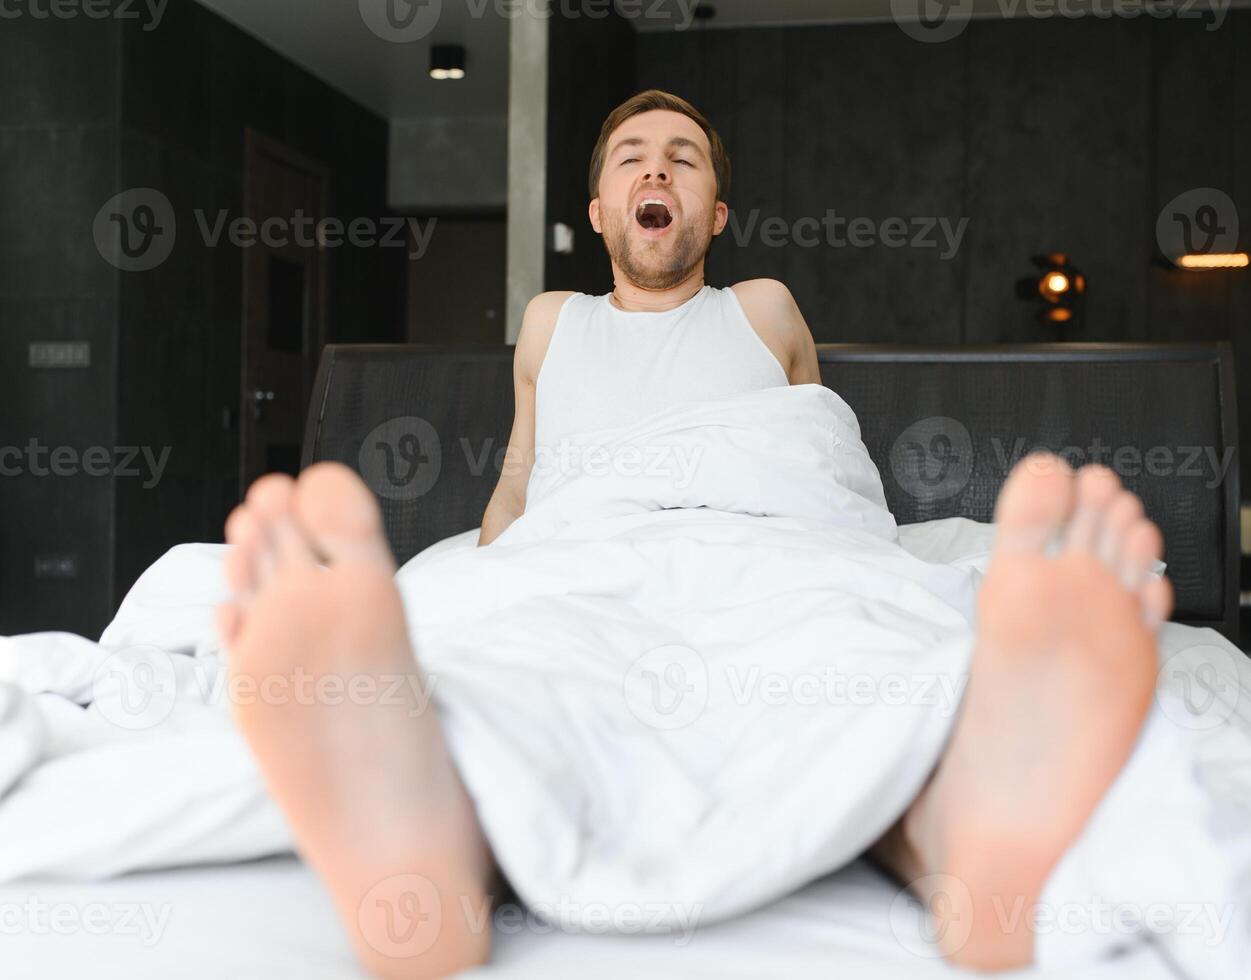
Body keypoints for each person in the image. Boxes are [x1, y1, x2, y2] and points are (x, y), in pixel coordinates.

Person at [216, 90, 1171, 979]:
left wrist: (846, 552)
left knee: (848, 665)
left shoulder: (763, 308)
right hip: (583, 556)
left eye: (685, 161)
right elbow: (520, 481)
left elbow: (822, 467)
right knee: (521, 664)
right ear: (599, 209)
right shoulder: (551, 323)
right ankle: (421, 844)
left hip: (769, 552)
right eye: (631, 160)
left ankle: (969, 837)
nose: (657, 173)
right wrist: (490, 572)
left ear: (716, 213)